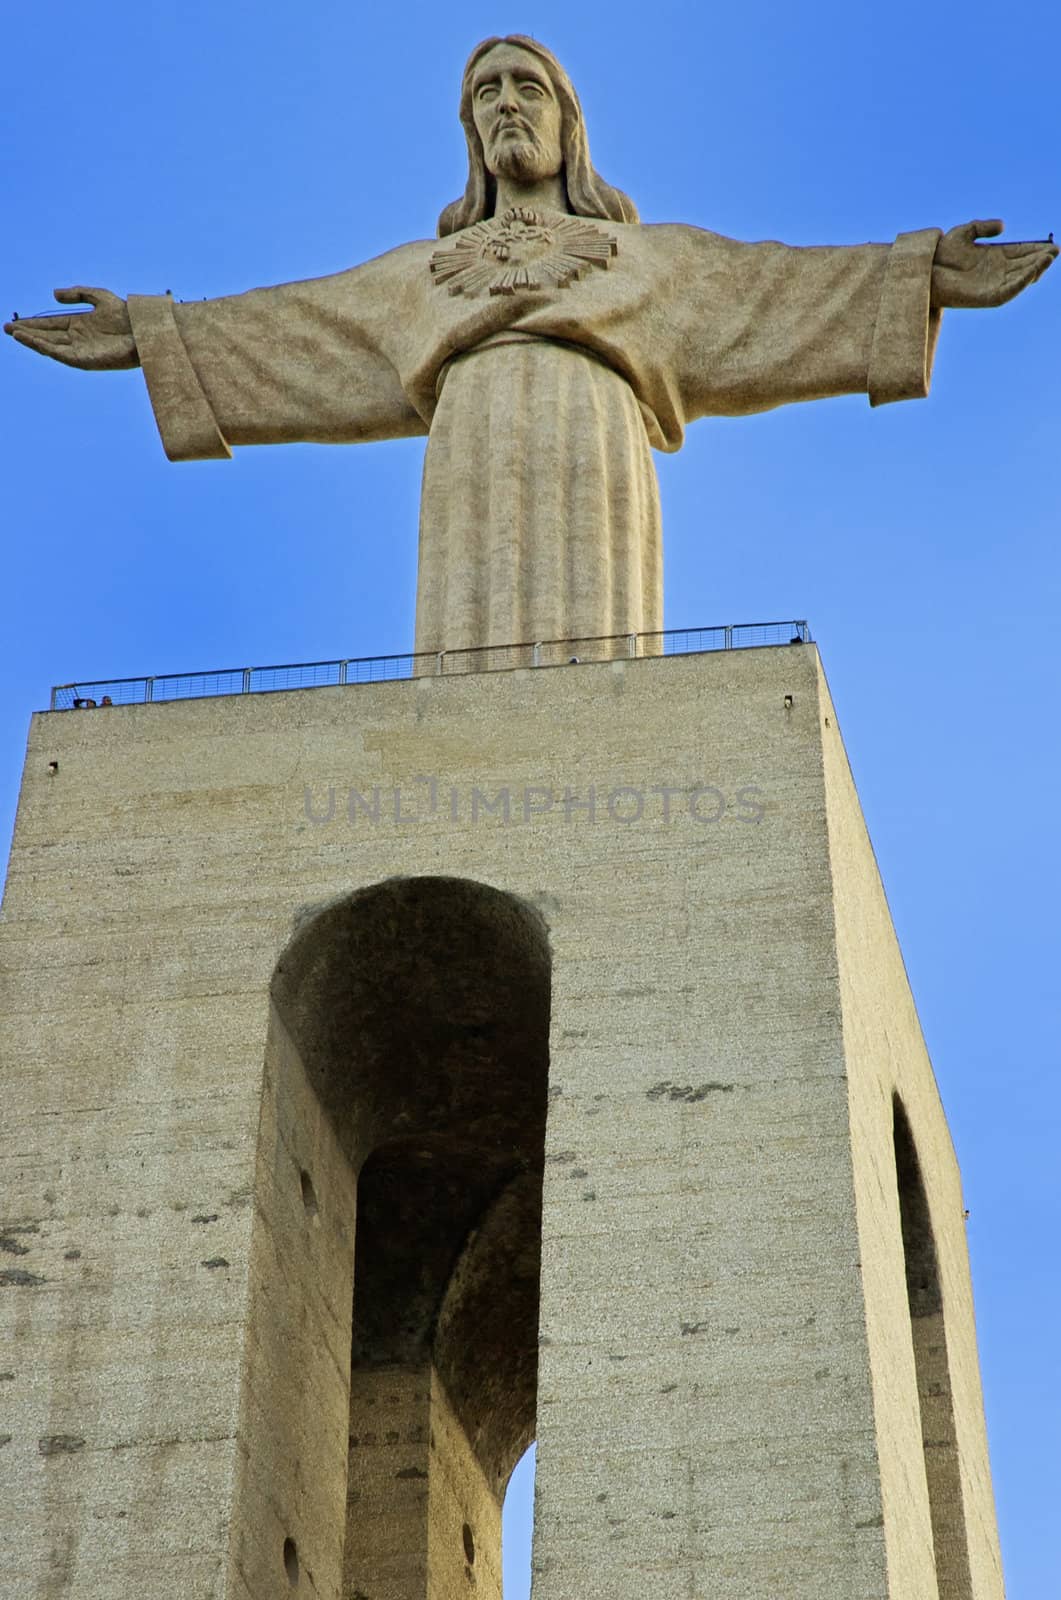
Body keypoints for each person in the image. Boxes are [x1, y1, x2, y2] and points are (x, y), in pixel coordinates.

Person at [5, 36, 1055, 656]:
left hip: (596, 440)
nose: (506, 103)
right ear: (470, 129)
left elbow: (773, 289)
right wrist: (151, 336)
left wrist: (915, 275)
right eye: (486, 92)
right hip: (467, 449)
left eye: (527, 87)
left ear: (566, 123)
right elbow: (291, 330)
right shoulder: (416, 276)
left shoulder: (646, 260)